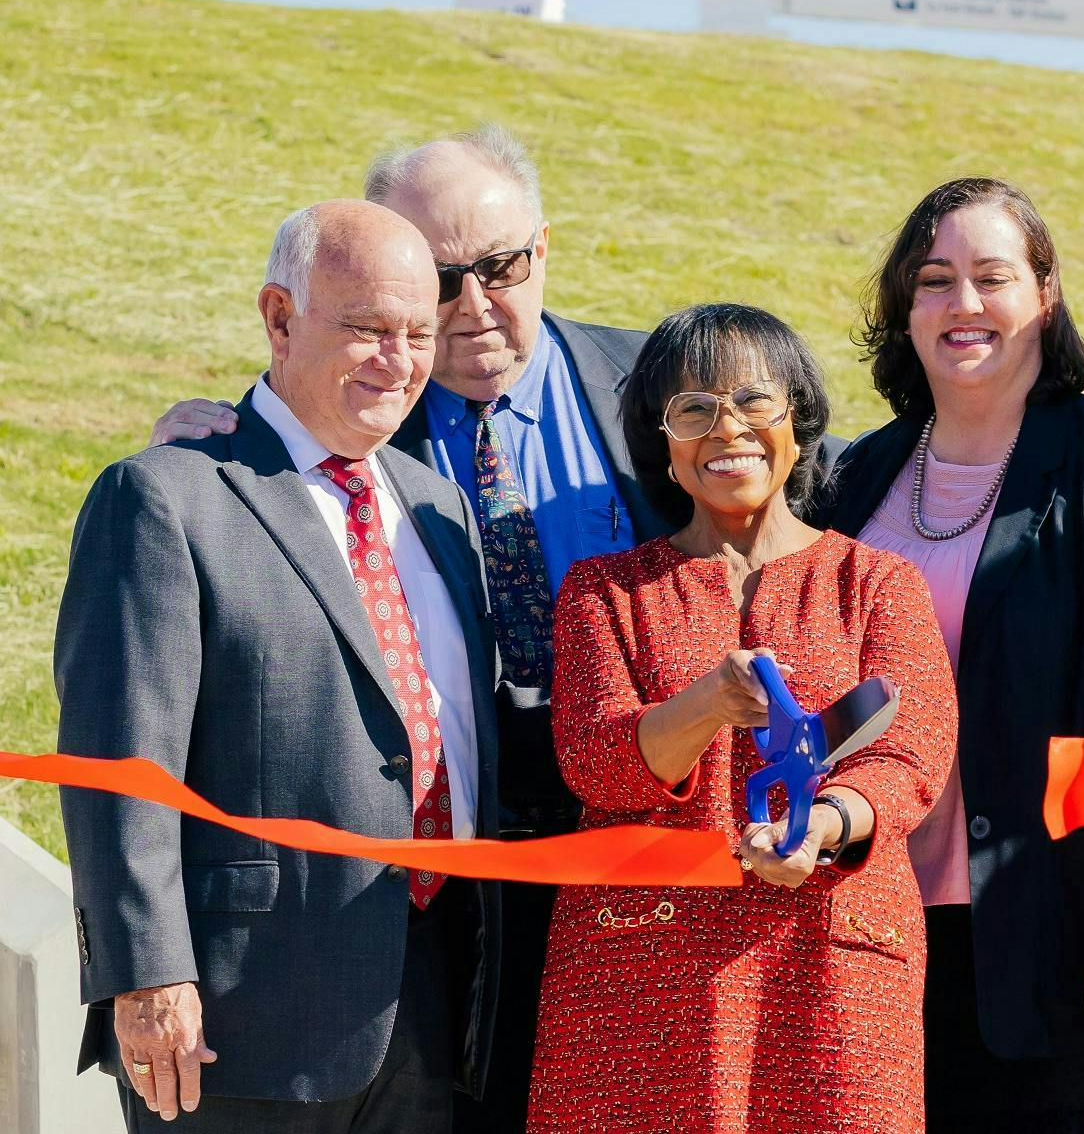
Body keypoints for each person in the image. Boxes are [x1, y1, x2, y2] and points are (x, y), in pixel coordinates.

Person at [141, 127, 842, 1130]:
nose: (472, 305)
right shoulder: (360, 418)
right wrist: (208, 435)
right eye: (438, 279)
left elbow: (802, 478)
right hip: (452, 884)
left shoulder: (655, 383)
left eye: (502, 266)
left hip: (658, 853)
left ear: (543, 248)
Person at [56, 200, 501, 1132]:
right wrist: (147, 974)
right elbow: (117, 762)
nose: (399, 361)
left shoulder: (439, 509)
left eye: (419, 334)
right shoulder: (168, 495)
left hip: (433, 999)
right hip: (237, 1017)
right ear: (280, 318)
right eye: (368, 328)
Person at [820, 177, 1084, 1131]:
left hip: (1064, 935)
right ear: (903, 306)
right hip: (877, 929)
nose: (961, 303)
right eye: (934, 279)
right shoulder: (859, 476)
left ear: (1045, 296)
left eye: (992, 277)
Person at [525, 303, 957, 1132]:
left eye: (754, 400)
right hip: (641, 978)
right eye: (692, 409)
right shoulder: (603, 593)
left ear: (799, 421)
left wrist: (820, 826)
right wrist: (704, 705)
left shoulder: (877, 584)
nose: (728, 428)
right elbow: (594, 761)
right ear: (662, 443)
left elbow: (909, 752)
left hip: (830, 962)